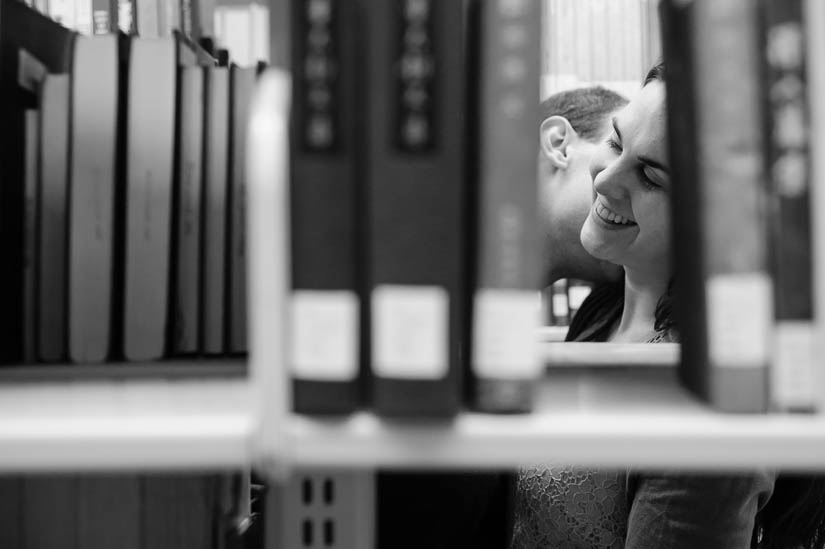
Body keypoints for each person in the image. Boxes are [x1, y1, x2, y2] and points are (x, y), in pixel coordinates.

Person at [512, 63, 825, 549]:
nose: (605, 182)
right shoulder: (600, 312)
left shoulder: (711, 394)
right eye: (615, 143)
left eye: (652, 177)